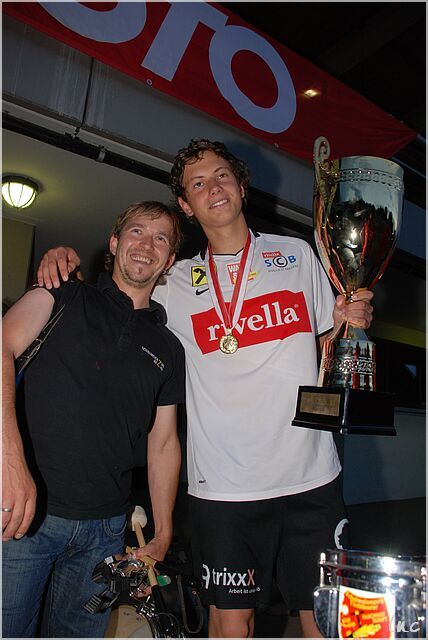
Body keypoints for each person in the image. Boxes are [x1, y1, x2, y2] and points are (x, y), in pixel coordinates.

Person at [36, 139, 374, 638]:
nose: (212, 188)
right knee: (231, 625)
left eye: (221, 176)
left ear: (241, 186)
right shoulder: (173, 280)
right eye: (197, 184)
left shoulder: (298, 255)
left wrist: (350, 317)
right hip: (223, 487)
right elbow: (116, 294)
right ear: (186, 205)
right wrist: (64, 260)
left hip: (311, 477)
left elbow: (329, 337)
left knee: (328, 622)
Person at [2, 201, 185, 638]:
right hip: (24, 514)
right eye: (137, 231)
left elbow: (163, 443)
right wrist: (8, 461)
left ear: (169, 261)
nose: (147, 244)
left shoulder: (169, 348)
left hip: (104, 532)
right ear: (114, 243)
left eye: (161, 238)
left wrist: (163, 533)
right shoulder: (65, 293)